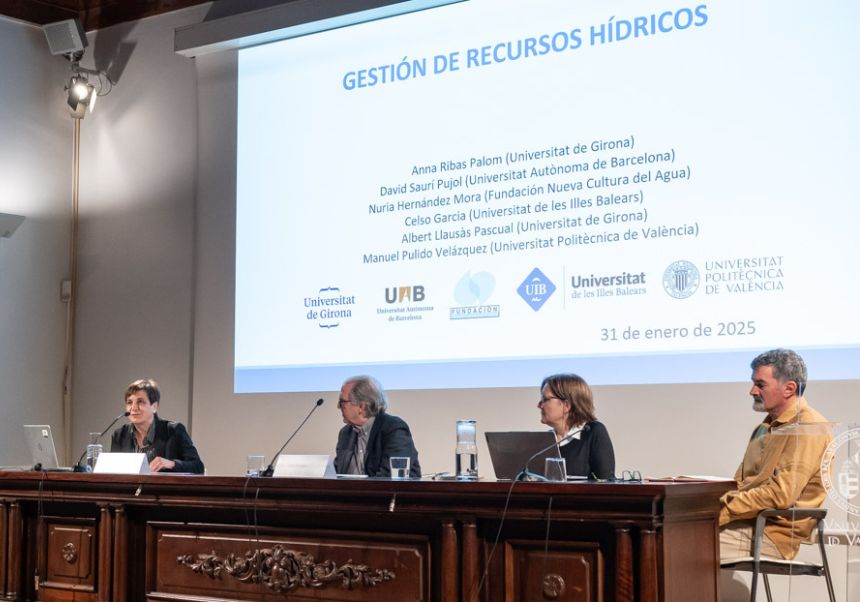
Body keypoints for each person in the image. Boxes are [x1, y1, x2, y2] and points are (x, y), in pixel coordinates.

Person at [719, 349, 832, 561]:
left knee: (679, 545)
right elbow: (740, 484)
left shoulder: (809, 427)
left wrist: (722, 510)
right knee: (674, 536)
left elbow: (781, 495)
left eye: (760, 384)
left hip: (771, 533)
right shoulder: (764, 428)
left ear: (789, 388)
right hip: (746, 523)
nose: (752, 391)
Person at [110, 378, 204, 474]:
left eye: (140, 402)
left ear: (154, 407)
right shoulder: (119, 435)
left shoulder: (173, 430)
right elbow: (112, 471)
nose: (133, 408)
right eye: (129, 402)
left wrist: (171, 464)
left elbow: (198, 467)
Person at [333, 375, 421, 478]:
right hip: (350, 493)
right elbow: (338, 472)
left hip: (389, 493)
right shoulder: (346, 433)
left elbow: (390, 475)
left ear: (361, 406)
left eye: (342, 402)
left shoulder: (393, 429)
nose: (338, 407)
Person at [537, 373, 615, 480]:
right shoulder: (544, 441)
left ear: (566, 405)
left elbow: (606, 483)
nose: (539, 405)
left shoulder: (593, 432)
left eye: (545, 400)